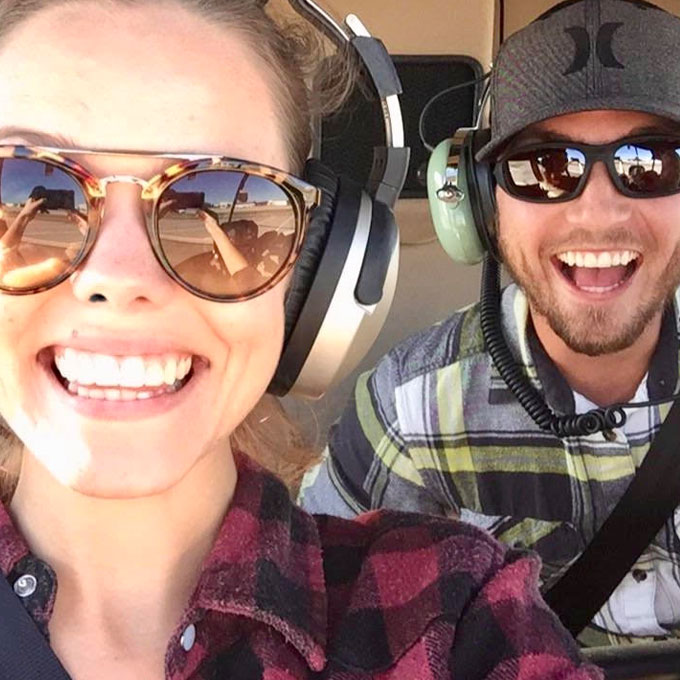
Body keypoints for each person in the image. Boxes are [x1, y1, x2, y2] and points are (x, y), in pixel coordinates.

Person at [0, 0, 602, 678]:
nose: (116, 278)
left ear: (315, 268)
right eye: (25, 195)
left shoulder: (447, 613)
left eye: (222, 206)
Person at [301, 0, 680, 647]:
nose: (597, 215)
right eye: (543, 166)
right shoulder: (409, 412)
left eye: (651, 162)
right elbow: (316, 623)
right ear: (478, 199)